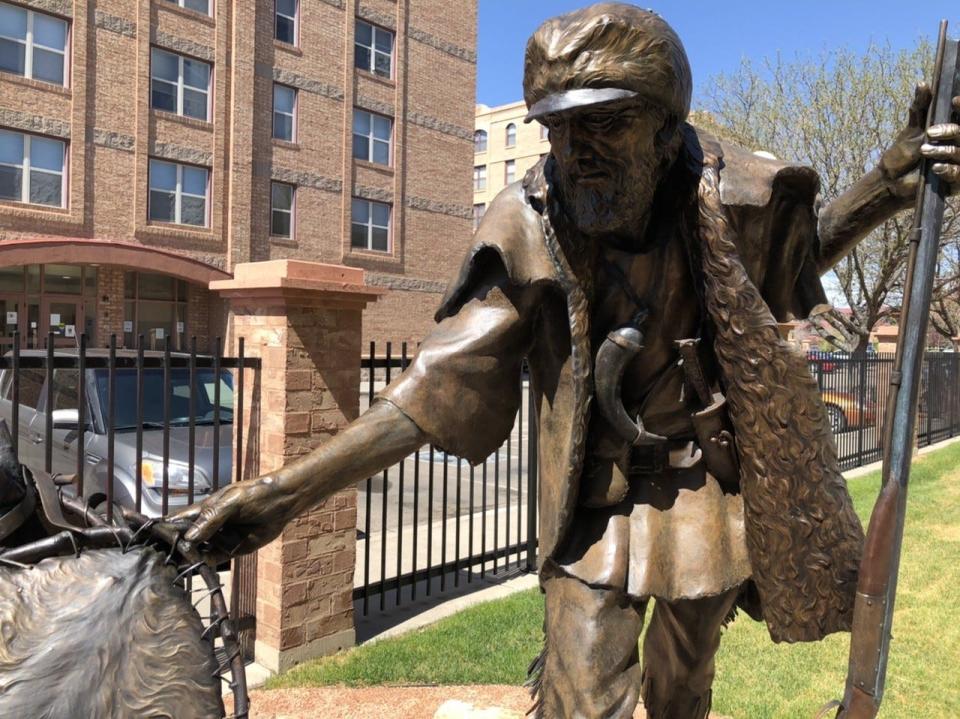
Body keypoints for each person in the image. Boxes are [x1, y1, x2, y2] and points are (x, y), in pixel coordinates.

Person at [175, 5, 960, 717]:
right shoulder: (529, 218)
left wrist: (889, 186)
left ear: (661, 128)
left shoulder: (729, 196)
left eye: (602, 127)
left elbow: (788, 265)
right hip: (595, 504)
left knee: (684, 689)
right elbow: (431, 390)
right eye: (559, 129)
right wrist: (282, 493)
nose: (574, 152)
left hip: (705, 492)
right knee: (583, 700)